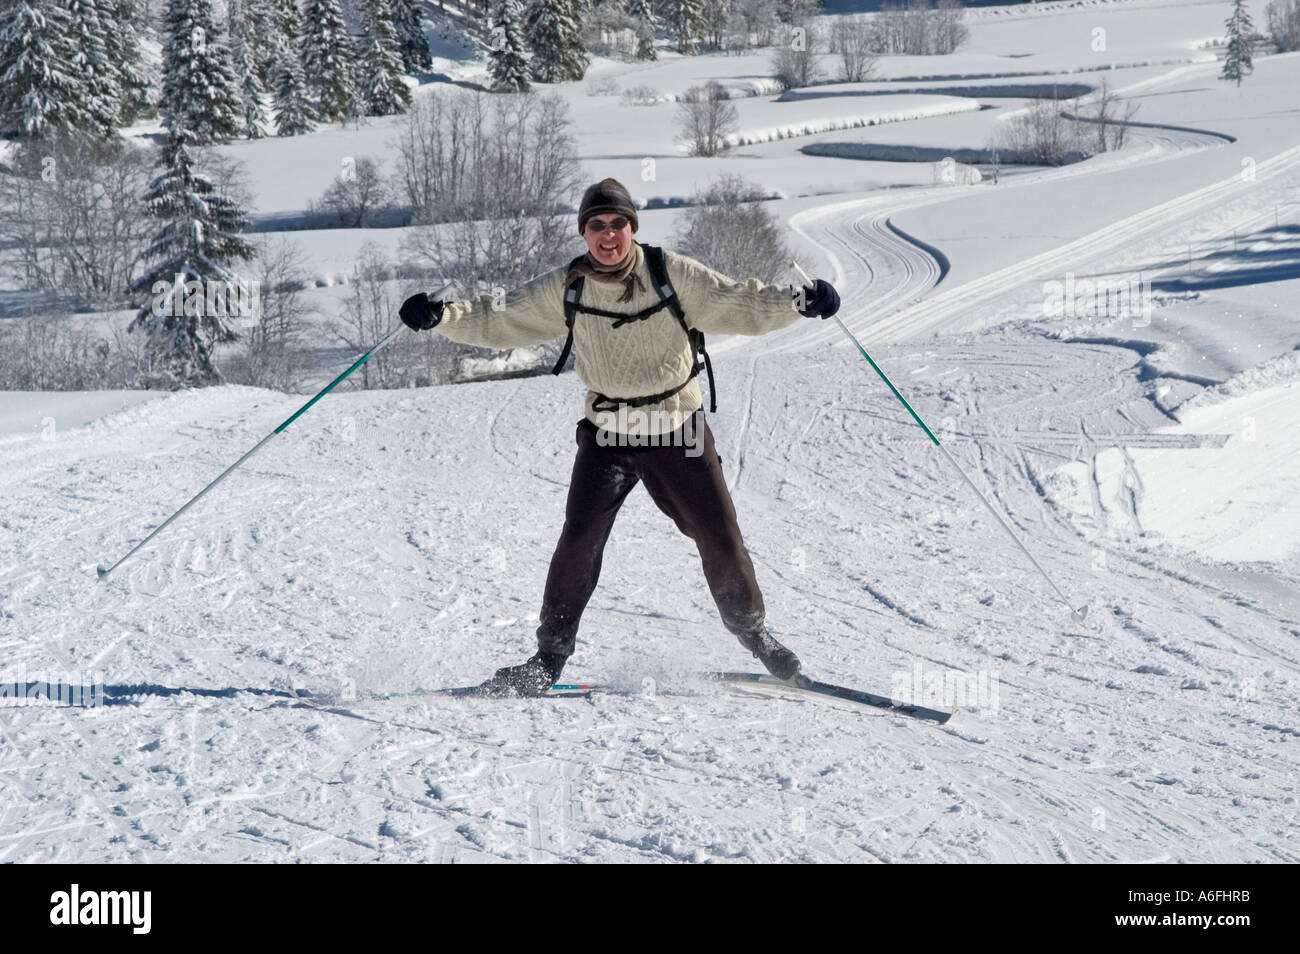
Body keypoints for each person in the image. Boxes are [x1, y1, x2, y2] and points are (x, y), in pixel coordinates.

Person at [399, 177, 840, 696]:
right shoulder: (568, 287)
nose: (608, 235)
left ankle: (755, 636)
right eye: (597, 225)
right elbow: (503, 315)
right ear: (584, 232)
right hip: (608, 434)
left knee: (718, 536)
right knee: (578, 541)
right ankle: (548, 660)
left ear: (632, 227)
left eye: (618, 224)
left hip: (678, 430)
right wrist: (441, 316)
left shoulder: (670, 273)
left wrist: (797, 303)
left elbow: (736, 300)